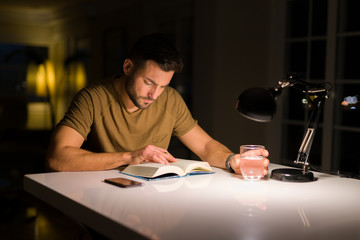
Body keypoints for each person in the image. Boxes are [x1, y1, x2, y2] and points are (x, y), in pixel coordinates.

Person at [46, 33, 269, 176]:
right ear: (127, 67)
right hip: (101, 195)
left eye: (163, 86)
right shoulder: (93, 98)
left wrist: (233, 160)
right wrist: (130, 156)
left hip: (154, 200)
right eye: (149, 83)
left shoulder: (170, 99)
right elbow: (57, 157)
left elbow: (205, 146)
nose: (155, 95)